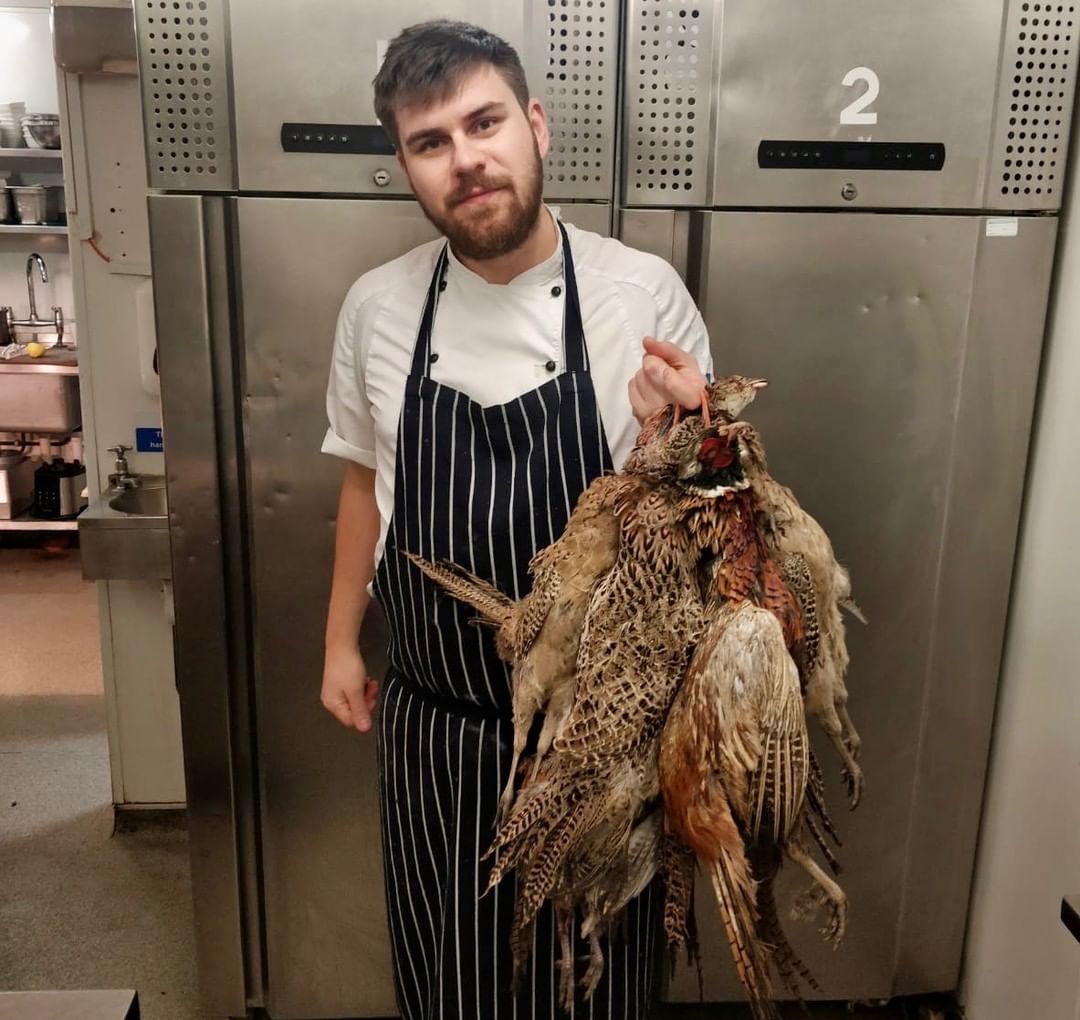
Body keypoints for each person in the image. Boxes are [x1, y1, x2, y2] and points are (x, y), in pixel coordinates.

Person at [319, 19, 712, 1020]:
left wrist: (689, 440)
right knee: (448, 985)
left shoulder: (641, 295)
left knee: (596, 991)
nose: (466, 160)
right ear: (406, 166)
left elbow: (706, 528)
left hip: (602, 739)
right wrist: (338, 643)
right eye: (430, 142)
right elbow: (367, 481)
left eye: (484, 122)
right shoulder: (378, 307)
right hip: (436, 733)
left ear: (534, 125)